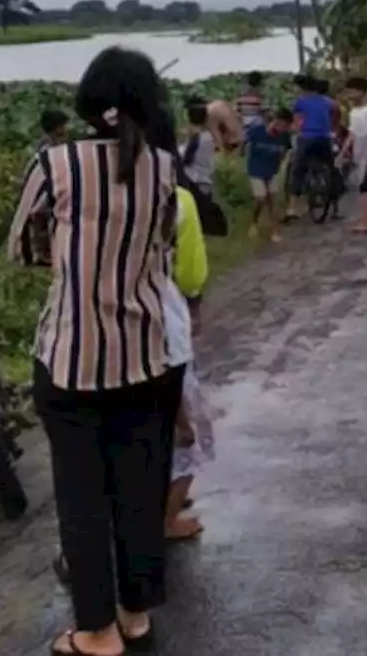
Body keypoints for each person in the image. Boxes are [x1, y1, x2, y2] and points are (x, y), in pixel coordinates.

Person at [7, 46, 184, 656]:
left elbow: (22, 247)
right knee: (138, 490)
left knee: (82, 498)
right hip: (145, 354)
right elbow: (166, 244)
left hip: (72, 360)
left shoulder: (55, 164)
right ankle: (134, 615)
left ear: (88, 100)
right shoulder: (164, 166)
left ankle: (95, 631)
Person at [164, 182, 213, 541]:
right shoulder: (176, 198)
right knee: (185, 437)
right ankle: (166, 521)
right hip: (165, 324)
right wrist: (194, 302)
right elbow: (192, 271)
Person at [286, 75, 336, 221]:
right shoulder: (326, 101)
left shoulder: (300, 102)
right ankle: (334, 202)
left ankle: (292, 207)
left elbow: (297, 123)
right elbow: (335, 110)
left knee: (298, 170)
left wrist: (294, 129)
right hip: (324, 138)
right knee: (331, 167)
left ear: (301, 88)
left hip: (307, 138)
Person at [245, 106, 293, 243]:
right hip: (256, 170)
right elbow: (245, 144)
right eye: (284, 125)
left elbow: (285, 151)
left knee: (272, 200)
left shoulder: (284, 137)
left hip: (271, 170)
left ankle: (275, 230)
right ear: (277, 121)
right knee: (260, 197)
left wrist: (279, 163)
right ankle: (253, 222)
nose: (285, 129)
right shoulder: (257, 131)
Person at [342, 77, 367, 234]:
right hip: (360, 154)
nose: (350, 95)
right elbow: (352, 132)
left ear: (361, 92)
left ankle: (366, 221)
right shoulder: (354, 112)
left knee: (365, 187)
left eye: (352, 91)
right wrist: (344, 150)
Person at [182, 97, 218, 197]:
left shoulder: (195, 139)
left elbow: (186, 160)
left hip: (194, 184)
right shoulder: (209, 136)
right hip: (206, 183)